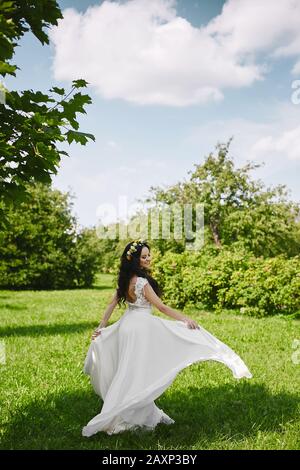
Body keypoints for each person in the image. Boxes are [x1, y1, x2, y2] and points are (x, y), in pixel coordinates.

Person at [82, 239, 252, 437]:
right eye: (143, 256)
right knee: (138, 369)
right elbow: (161, 307)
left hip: (127, 325)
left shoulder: (124, 280)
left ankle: (138, 411)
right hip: (141, 327)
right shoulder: (142, 283)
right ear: (135, 260)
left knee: (130, 368)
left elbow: (111, 304)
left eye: (148, 255)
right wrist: (185, 318)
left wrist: (102, 325)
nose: (148, 259)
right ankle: (128, 413)